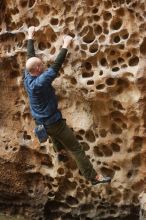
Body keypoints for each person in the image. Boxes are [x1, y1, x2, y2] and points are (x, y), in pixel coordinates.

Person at [24, 26, 111, 185]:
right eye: (41, 65)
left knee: (55, 136)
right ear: (37, 69)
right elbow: (55, 68)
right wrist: (65, 44)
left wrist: (30, 36)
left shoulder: (28, 76)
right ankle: (94, 178)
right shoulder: (40, 82)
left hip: (41, 123)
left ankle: (60, 152)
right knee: (77, 149)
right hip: (54, 124)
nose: (43, 65)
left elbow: (30, 56)